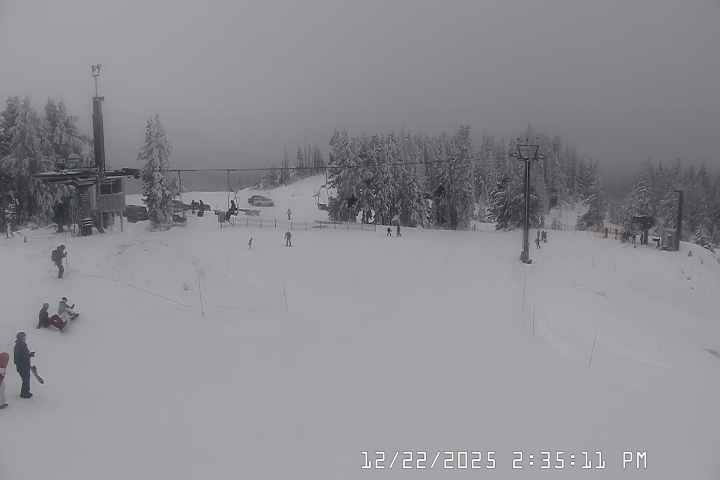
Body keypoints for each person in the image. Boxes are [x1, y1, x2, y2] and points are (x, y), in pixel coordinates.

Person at [14, 332, 34, 399]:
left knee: (26, 379)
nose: (24, 339)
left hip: (24, 365)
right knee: (25, 379)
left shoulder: (22, 345)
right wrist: (26, 359)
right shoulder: (19, 346)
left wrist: (29, 355)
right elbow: (20, 356)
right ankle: (24, 393)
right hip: (22, 366)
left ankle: (26, 392)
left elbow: (24, 355)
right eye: (23, 338)